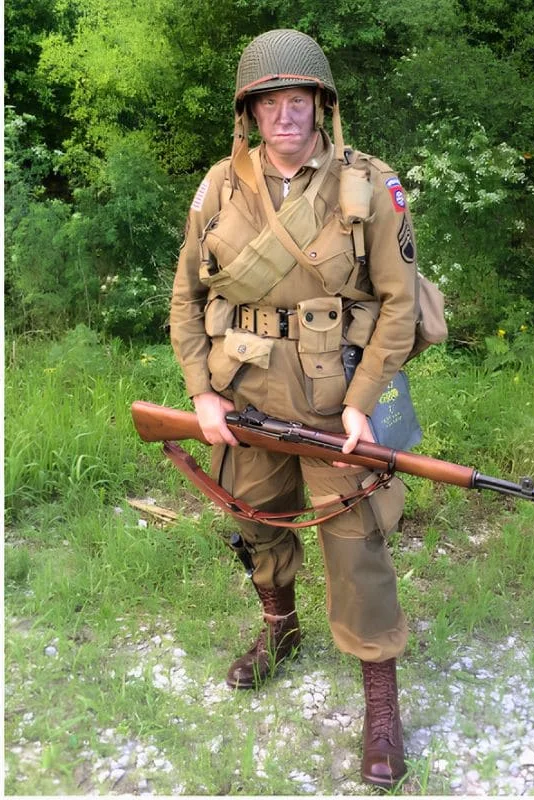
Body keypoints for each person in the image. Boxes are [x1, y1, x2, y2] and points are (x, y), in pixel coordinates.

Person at [169, 29, 420, 787]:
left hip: (333, 400)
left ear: (321, 105)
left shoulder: (368, 186)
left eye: (298, 98)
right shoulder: (219, 187)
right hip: (241, 396)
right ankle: (280, 629)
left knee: (357, 546)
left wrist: (364, 405)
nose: (285, 114)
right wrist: (199, 393)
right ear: (250, 111)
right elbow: (187, 297)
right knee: (255, 521)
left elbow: (399, 306)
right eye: (270, 100)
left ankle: (381, 701)